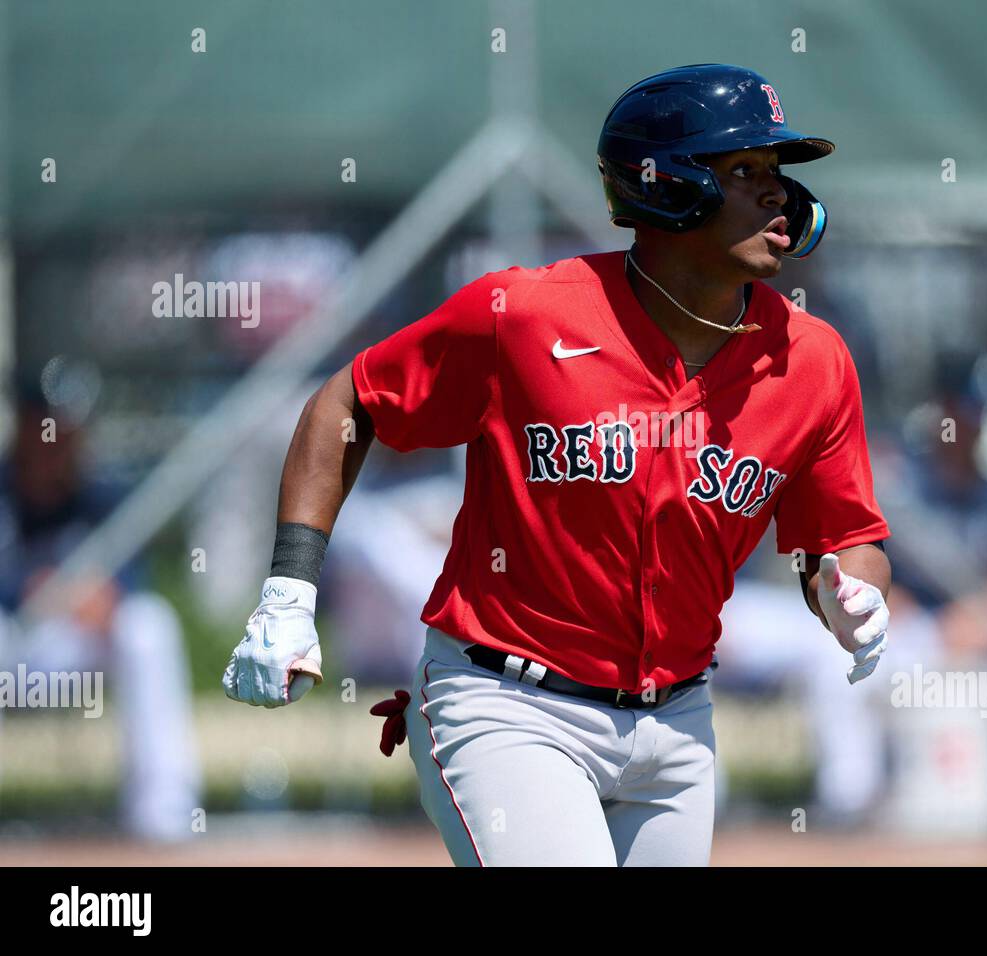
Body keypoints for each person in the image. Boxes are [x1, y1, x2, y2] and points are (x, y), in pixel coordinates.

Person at [222, 63, 893, 866]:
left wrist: (851, 594)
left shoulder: (812, 360)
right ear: (667, 187)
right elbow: (350, 406)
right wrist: (290, 590)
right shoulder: (524, 315)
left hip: (677, 728)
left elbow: (844, 540)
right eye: (744, 170)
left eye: (778, 174)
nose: (777, 193)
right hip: (508, 706)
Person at [0, 392, 199, 841]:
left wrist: (108, 599)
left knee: (148, 624)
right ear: (26, 429)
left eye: (69, 432)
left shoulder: (101, 496)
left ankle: (163, 812)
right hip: (10, 643)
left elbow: (130, 579)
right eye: (48, 428)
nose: (58, 443)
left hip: (70, 648)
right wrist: (26, 588)